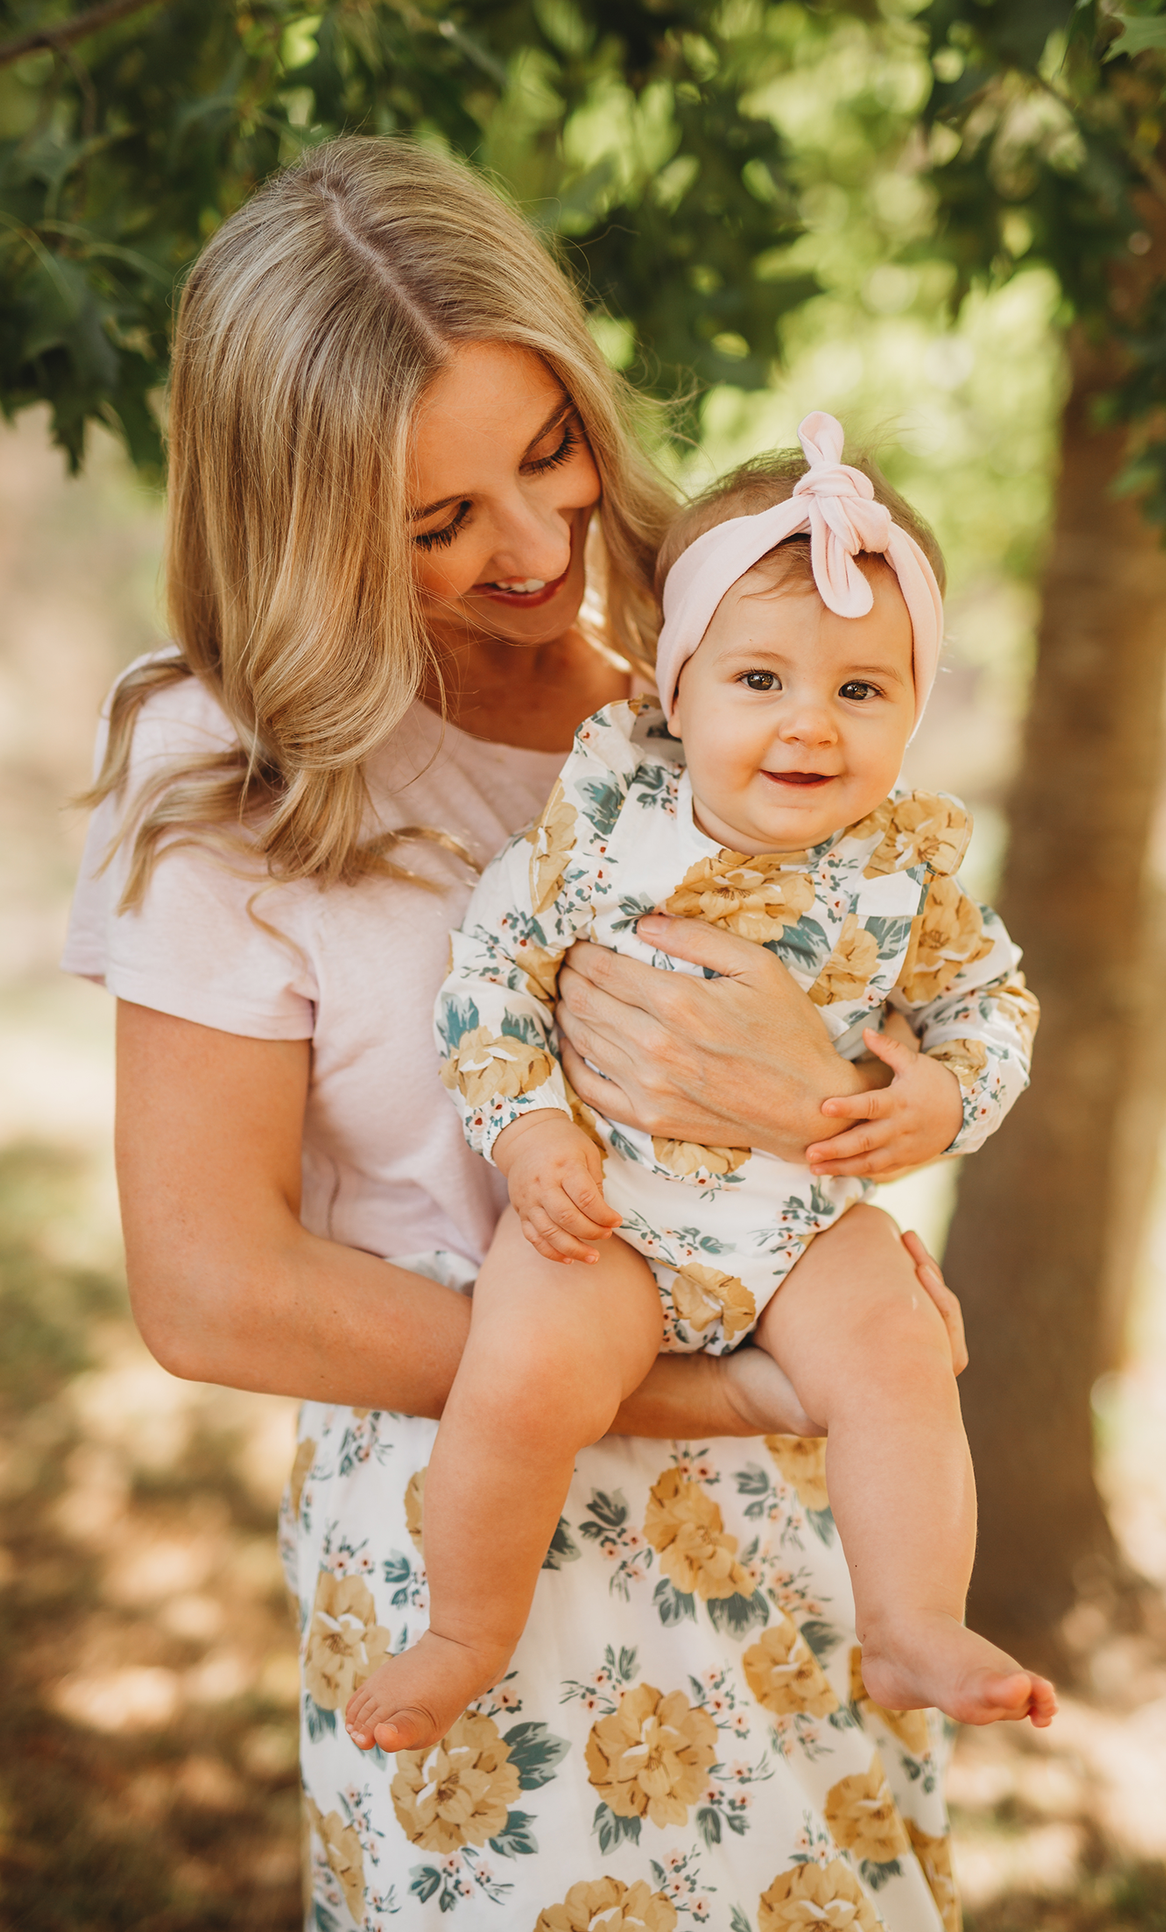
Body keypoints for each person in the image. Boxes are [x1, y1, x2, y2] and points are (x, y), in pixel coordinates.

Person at [68, 134, 975, 1932]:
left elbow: (883, 1011)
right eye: (436, 521)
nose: (537, 545)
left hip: (796, 1528)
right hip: (483, 1568)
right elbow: (208, 1288)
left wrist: (874, 1094)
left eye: (548, 453)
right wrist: (706, 1396)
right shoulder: (226, 768)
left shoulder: (707, 663)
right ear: (299, 518)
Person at [343, 415, 1055, 1760]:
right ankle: (461, 1630)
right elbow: (492, 970)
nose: (809, 723)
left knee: (900, 1346)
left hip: (793, 1231)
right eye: (761, 679)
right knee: (523, 1374)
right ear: (677, 689)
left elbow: (991, 1005)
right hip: (608, 1212)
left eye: (861, 690)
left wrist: (946, 1098)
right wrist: (529, 1125)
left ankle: (912, 1623)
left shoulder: (908, 872)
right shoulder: (606, 826)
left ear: (914, 705)